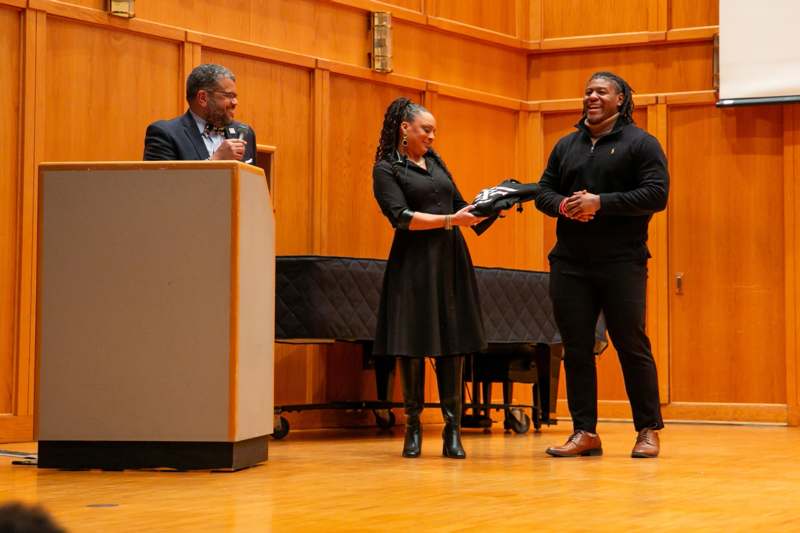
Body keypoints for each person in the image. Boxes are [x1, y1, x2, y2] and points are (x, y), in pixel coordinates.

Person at [534, 72, 668, 458]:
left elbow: (656, 194)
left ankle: (647, 429)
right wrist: (563, 206)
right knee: (575, 347)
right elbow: (543, 191)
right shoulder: (566, 145)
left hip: (622, 262)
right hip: (570, 262)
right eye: (588, 91)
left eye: (601, 91)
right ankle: (584, 432)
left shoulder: (641, 144)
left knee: (631, 343)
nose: (592, 96)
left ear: (621, 99)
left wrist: (600, 203)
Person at [372, 97, 486, 459]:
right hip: (414, 262)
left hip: (450, 259)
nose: (433, 137)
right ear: (405, 128)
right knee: (413, 343)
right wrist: (454, 221)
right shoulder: (386, 168)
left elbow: (460, 206)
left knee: (452, 343)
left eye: (435, 130)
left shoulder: (436, 163)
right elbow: (401, 217)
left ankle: (453, 430)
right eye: (426, 129)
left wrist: (494, 203)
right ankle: (413, 428)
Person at [143, 63, 257, 164]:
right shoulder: (166, 134)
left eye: (235, 96)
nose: (235, 102)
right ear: (203, 98)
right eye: (228, 96)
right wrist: (216, 160)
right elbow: (161, 186)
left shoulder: (244, 133)